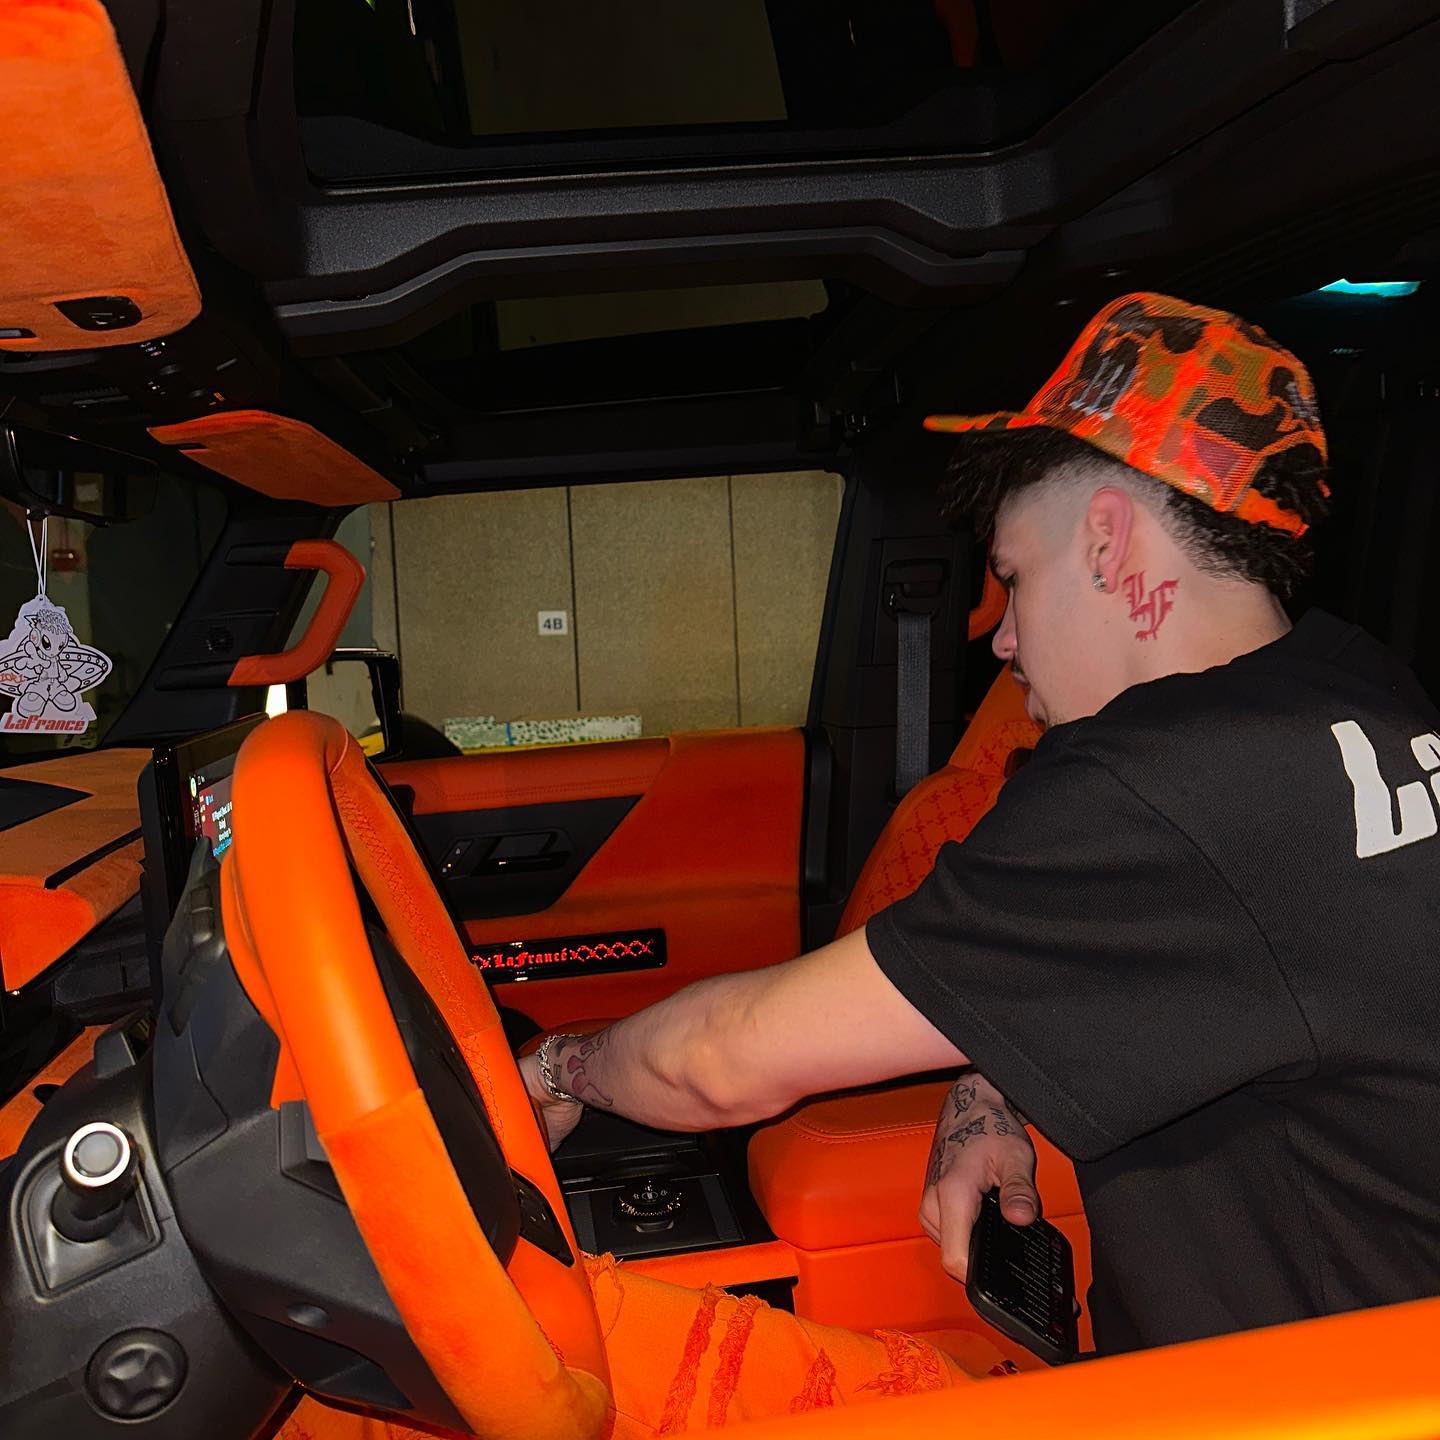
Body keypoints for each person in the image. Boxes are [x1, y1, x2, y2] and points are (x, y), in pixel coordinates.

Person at [520, 292, 1440, 1356]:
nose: (1000, 640)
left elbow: (723, 1060)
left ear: (1106, 540)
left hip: (1308, 1399)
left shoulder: (1159, 783)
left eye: (1011, 578)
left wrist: (557, 1071)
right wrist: (991, 1092)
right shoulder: (1353, 691)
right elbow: (1221, 961)